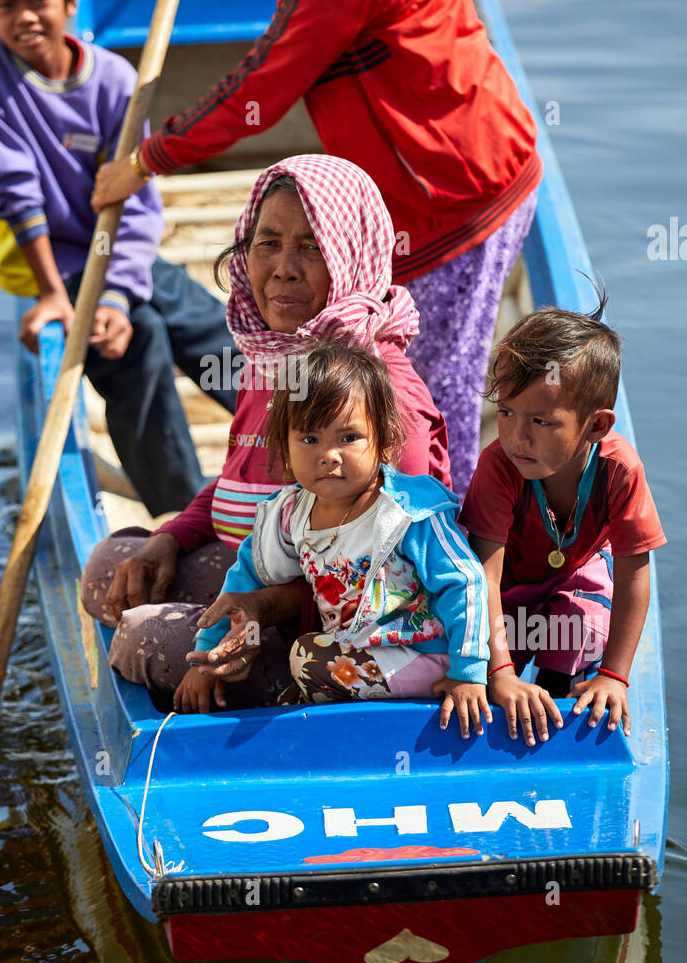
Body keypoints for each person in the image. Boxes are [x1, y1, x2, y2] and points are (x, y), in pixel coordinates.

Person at [91, 0, 543, 497]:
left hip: (456, 195)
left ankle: (443, 572)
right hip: (441, 158)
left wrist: (148, 157)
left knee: (427, 399)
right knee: (381, 380)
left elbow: (257, 93)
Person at [81, 153, 451, 710]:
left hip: (338, 630)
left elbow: (393, 579)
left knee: (144, 639)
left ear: (350, 256)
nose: (283, 268)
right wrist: (173, 536)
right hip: (255, 571)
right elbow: (237, 482)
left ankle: (286, 697)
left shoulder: (384, 395)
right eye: (267, 244)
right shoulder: (273, 357)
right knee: (112, 565)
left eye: (311, 248)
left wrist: (255, 611)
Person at [0, 0, 238, 517]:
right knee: (135, 347)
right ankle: (182, 515)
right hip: (54, 260)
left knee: (202, 323)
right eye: (6, 4)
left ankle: (296, 436)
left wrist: (113, 295)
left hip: (117, 248)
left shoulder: (112, 80)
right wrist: (58, 296)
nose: (25, 16)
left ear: (70, 2)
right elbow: (12, 184)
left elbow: (137, 207)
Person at [185, 343, 491, 734]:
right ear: (285, 446)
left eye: (349, 437)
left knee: (307, 658)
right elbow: (241, 588)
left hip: (423, 660)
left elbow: (465, 582)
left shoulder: (408, 511)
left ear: (382, 439)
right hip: (355, 658)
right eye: (310, 440)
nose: (329, 455)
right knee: (285, 698)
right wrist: (206, 659)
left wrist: (468, 674)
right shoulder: (288, 515)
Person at [460, 301, 666, 746]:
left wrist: (614, 676)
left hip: (571, 578)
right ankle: (520, 696)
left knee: (582, 623)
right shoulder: (499, 466)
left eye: (541, 421)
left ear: (596, 426)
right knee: (481, 665)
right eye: (506, 413)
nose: (516, 436)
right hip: (507, 591)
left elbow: (634, 576)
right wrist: (499, 673)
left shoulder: (619, 470)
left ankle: (553, 693)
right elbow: (484, 580)